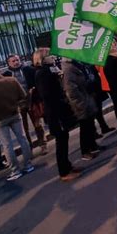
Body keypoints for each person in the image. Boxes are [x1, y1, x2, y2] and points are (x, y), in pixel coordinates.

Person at [35, 51, 83, 181]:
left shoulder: (50, 70)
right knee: (60, 142)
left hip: (59, 111)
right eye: (50, 55)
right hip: (55, 113)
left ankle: (67, 165)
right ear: (44, 59)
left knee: (64, 139)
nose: (53, 57)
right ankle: (64, 172)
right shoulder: (43, 73)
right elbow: (47, 94)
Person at [0, 63, 34, 181]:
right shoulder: (11, 80)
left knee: (7, 145)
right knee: (22, 138)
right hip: (15, 113)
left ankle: (15, 170)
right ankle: (28, 165)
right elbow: (23, 95)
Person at [3, 53, 47, 153]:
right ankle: (29, 147)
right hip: (18, 104)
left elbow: (36, 83)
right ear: (8, 63)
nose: (16, 62)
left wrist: (34, 91)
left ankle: (43, 144)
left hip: (31, 101)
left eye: (17, 60)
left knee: (37, 124)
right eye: (13, 61)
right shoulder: (6, 75)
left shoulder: (28, 69)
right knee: (23, 128)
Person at [61, 59, 102, 160]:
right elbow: (71, 89)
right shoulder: (69, 68)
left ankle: (93, 146)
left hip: (86, 97)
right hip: (81, 102)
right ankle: (85, 151)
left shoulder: (77, 64)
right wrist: (80, 101)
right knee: (85, 126)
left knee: (90, 124)